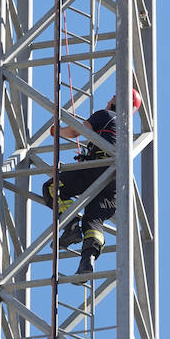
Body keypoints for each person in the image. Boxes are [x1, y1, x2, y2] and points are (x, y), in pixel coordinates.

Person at [43, 89, 142, 281]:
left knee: (51, 188)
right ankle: (87, 260)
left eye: (113, 97)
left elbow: (74, 131)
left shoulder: (105, 115)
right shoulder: (128, 132)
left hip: (97, 167)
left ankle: (71, 226)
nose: (109, 99)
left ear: (118, 102)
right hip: (116, 183)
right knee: (94, 221)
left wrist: (56, 131)